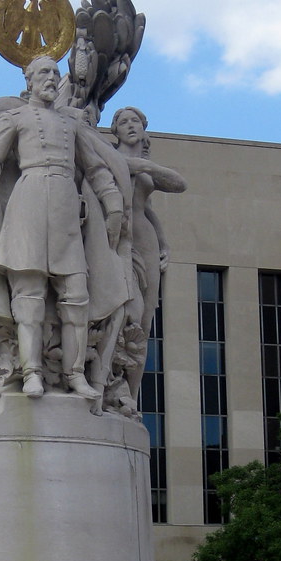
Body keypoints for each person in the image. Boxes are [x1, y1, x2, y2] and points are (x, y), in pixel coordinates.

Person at [0, 55, 123, 403]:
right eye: (44, 73)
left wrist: (112, 202)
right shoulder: (16, 117)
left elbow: (96, 167)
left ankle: (74, 374)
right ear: (29, 81)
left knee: (76, 296)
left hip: (66, 207)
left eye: (55, 73)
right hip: (28, 199)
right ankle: (31, 373)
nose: (51, 78)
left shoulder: (72, 125)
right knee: (28, 295)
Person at [110, 107, 186, 397]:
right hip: (114, 236)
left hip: (145, 238)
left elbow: (176, 187)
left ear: (144, 128)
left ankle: (130, 393)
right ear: (114, 130)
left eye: (136, 122)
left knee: (145, 318)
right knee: (122, 309)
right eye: (123, 122)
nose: (130, 126)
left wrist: (164, 242)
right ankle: (109, 381)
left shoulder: (145, 166)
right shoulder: (108, 156)